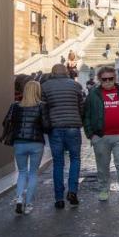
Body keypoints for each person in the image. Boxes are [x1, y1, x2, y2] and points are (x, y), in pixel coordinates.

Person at [83, 65, 119, 205]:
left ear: (115, 78)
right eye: (104, 79)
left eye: (110, 78)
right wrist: (91, 134)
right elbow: (86, 115)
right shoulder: (93, 94)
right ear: (99, 80)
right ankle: (103, 189)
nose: (107, 81)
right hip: (100, 136)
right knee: (102, 165)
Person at [41, 64, 84, 210]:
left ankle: (59, 198)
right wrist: (80, 120)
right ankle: (73, 190)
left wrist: (47, 126)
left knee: (58, 163)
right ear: (67, 72)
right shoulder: (75, 85)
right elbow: (81, 106)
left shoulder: (45, 86)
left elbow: (43, 109)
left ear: (52, 73)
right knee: (75, 159)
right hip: (73, 126)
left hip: (55, 128)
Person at [5, 79, 50, 215]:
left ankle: (19, 198)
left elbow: (7, 122)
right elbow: (47, 126)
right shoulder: (42, 106)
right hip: (36, 143)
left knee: (22, 172)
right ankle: (28, 204)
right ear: (37, 91)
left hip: (19, 143)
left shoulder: (15, 106)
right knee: (33, 173)